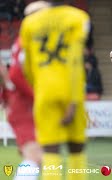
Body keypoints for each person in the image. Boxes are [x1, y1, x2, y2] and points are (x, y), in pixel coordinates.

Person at [20, 1, 90, 179]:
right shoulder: (79, 18)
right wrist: (73, 100)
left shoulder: (29, 23)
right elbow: (75, 59)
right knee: (76, 148)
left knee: (50, 149)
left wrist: (39, 87)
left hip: (44, 91)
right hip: (70, 90)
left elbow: (26, 66)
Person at [0, 2, 49, 180]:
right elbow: (15, 74)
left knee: (37, 157)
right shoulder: (28, 42)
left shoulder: (30, 41)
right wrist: (38, 97)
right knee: (34, 155)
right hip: (24, 106)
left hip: (22, 104)